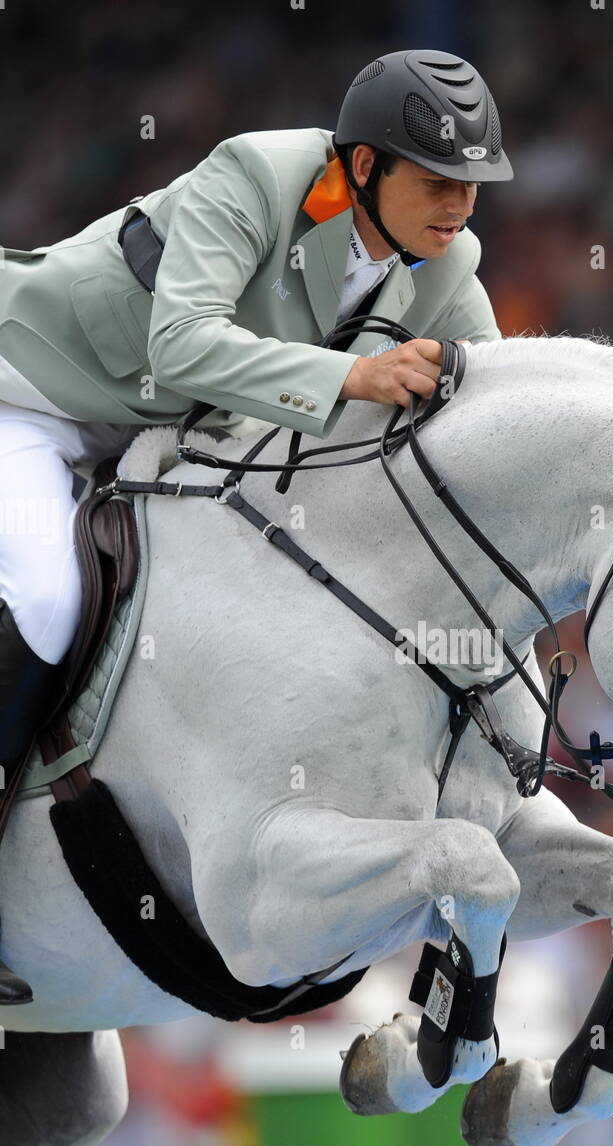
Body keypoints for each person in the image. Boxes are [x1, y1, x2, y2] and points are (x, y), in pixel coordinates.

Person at [0, 48, 513, 1002]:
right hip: (37, 394)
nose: (459, 206)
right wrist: (348, 377)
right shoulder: (257, 175)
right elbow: (182, 341)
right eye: (439, 181)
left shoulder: (450, 266)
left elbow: (496, 416)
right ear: (363, 167)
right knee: (46, 593)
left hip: (155, 442)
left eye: (474, 187)